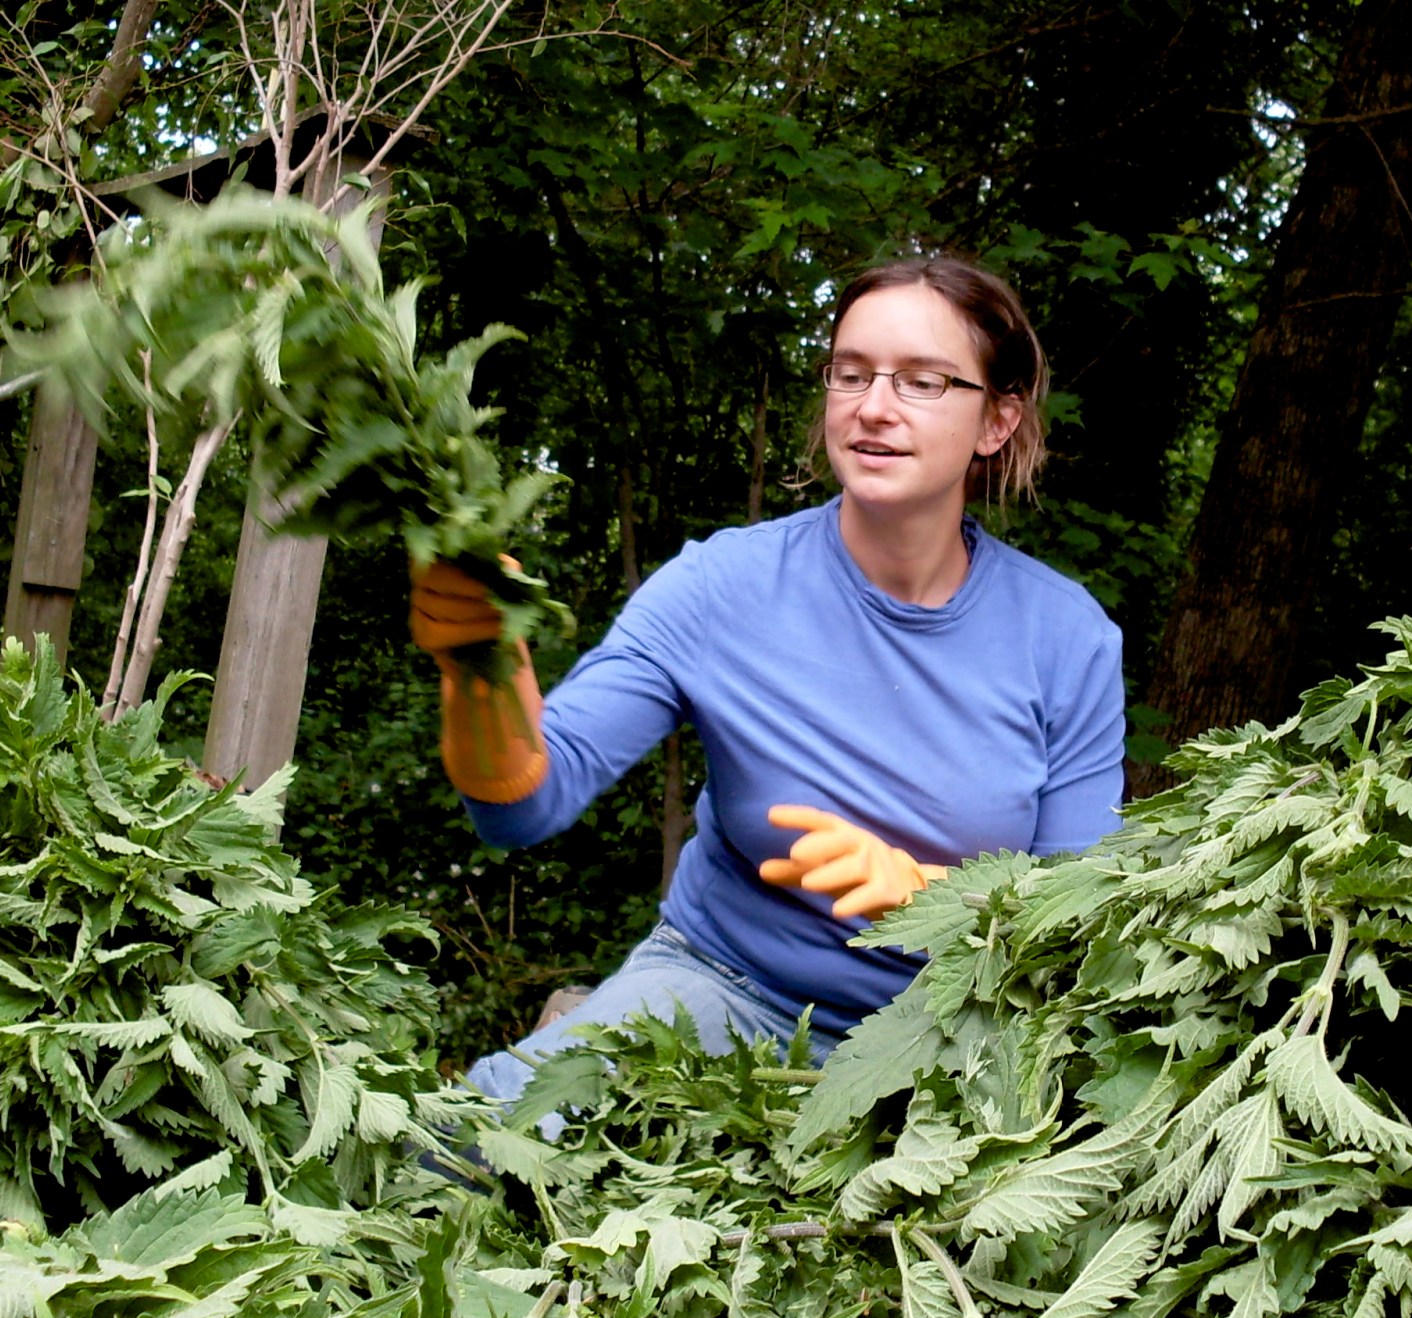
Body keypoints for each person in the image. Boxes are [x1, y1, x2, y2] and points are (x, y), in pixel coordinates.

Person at [409, 255, 1127, 1102]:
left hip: (955, 1035)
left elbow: (1079, 914)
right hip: (722, 991)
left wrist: (937, 898)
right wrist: (479, 668)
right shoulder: (721, 588)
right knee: (479, 1137)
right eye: (850, 373)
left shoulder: (1065, 635)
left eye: (924, 382)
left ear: (996, 422)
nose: (874, 406)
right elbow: (524, 806)